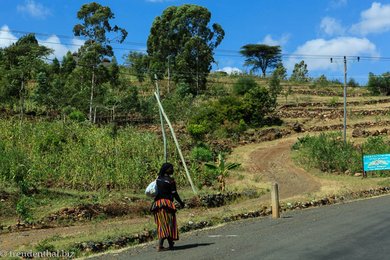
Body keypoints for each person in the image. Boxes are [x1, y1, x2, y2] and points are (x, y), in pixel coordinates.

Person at [150, 162, 185, 251]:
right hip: (167, 204)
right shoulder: (170, 180)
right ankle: (160, 246)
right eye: (171, 168)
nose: (172, 170)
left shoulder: (158, 179)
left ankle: (170, 244)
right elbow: (174, 193)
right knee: (168, 224)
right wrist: (181, 202)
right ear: (167, 170)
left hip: (157, 205)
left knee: (163, 223)